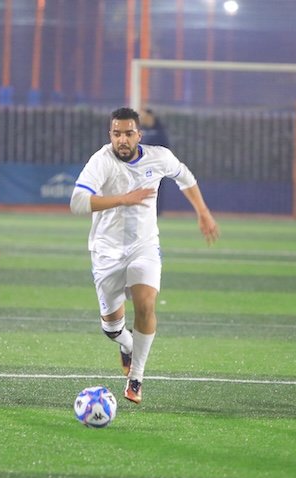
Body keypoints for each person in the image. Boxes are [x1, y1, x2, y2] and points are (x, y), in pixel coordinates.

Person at [69, 107, 219, 404]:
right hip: (106, 251)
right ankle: (127, 344)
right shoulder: (101, 161)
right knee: (111, 328)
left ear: (139, 135)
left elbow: (185, 177)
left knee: (146, 304)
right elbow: (77, 202)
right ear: (110, 135)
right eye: (116, 134)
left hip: (144, 247)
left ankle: (136, 378)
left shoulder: (159, 157)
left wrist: (203, 212)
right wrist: (123, 199)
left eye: (128, 133)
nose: (122, 139)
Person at [138, 108, 170, 216]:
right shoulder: (140, 130)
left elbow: (165, 148)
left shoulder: (160, 131)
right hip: (141, 166)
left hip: (156, 167)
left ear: (150, 117)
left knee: (156, 189)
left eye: (143, 117)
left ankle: (156, 212)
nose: (141, 119)